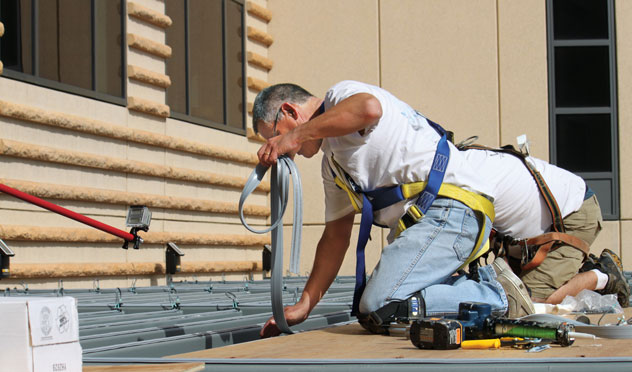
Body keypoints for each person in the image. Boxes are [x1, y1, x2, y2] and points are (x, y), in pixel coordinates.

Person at [252, 80, 626, 338]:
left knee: (381, 304)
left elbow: (368, 108)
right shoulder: (332, 164)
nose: (285, 148)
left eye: (276, 134)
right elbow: (335, 236)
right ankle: (504, 290)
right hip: (440, 219)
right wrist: (305, 304)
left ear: (289, 110)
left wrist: (297, 135)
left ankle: (498, 292)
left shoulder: (341, 97)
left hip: (455, 205)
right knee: (387, 307)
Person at [460, 148, 629, 308]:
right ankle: (573, 270)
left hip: (574, 214)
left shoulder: (464, 178)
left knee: (528, 303)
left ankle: (604, 275)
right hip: (540, 226)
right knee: (508, 292)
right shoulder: (460, 163)